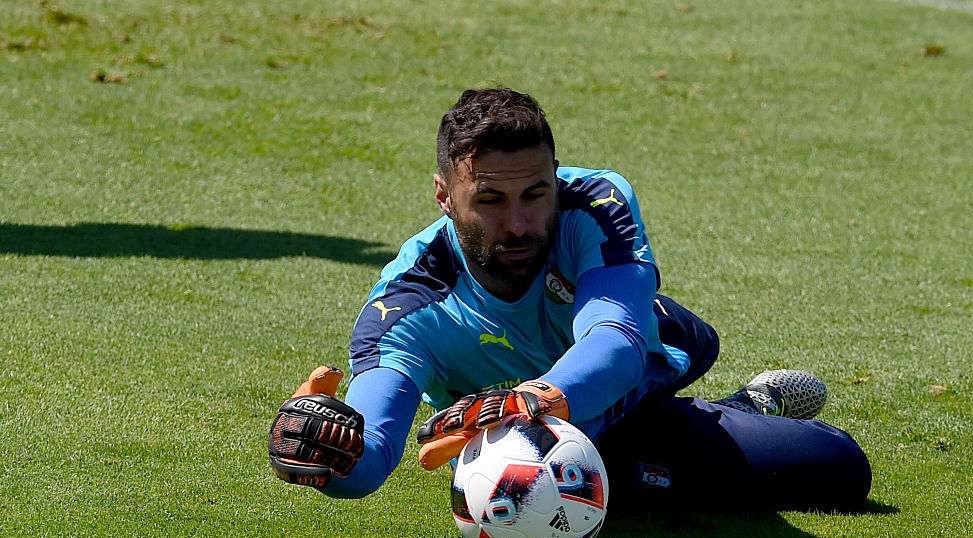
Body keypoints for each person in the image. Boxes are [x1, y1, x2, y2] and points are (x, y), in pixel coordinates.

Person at [267, 87, 871, 512]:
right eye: (491, 202)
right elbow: (373, 449)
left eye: (536, 193)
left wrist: (528, 399)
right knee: (821, 468)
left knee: (828, 458)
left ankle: (727, 401)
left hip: (633, 365)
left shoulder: (594, 203)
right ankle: (747, 408)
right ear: (444, 196)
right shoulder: (405, 306)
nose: (521, 223)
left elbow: (618, 345)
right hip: (574, 439)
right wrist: (327, 456)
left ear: (556, 175)